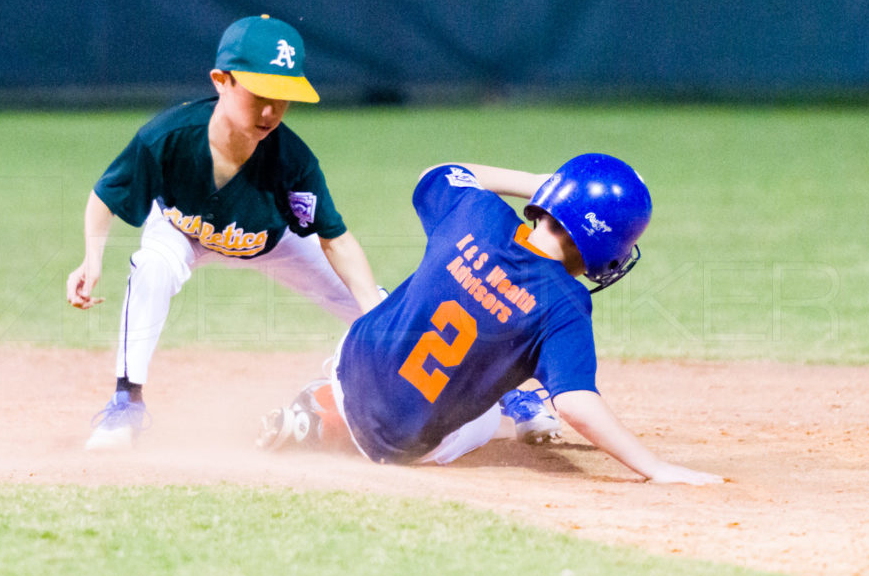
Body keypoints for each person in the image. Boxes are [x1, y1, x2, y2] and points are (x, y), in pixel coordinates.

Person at [257, 154, 724, 485]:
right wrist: (657, 468)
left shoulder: (476, 212)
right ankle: (520, 400)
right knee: (497, 389)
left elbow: (439, 172)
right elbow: (578, 404)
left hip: (352, 360)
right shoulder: (566, 305)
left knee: (435, 295)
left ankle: (322, 406)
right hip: (396, 443)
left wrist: (540, 183)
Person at [67, 15, 384, 450]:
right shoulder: (168, 137)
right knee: (152, 267)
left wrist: (375, 314)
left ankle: (459, 391)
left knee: (384, 313)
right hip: (181, 227)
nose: (271, 111)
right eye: (260, 94)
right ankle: (126, 405)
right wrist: (92, 258)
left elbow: (335, 238)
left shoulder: (293, 160)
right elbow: (106, 195)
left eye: (284, 97)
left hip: (272, 241)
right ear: (222, 80)